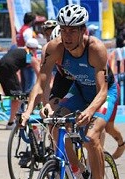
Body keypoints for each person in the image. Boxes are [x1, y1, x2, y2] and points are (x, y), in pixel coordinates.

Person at [21, 4, 118, 179]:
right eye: (64, 29)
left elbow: (102, 89)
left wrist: (90, 111)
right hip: (80, 91)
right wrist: (37, 108)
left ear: (83, 30)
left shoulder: (96, 48)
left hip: (104, 95)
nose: (67, 35)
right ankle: (78, 172)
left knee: (91, 137)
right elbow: (42, 79)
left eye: (73, 30)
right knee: (55, 124)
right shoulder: (55, 47)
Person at [45, 26, 124, 159]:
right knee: (56, 122)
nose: (58, 60)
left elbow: (102, 90)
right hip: (82, 89)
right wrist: (47, 107)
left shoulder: (91, 51)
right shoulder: (61, 69)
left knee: (105, 128)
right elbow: (54, 97)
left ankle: (121, 144)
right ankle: (73, 169)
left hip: (104, 91)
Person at [0, 38, 41, 129]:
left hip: (0, 67)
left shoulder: (20, 51)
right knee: (17, 97)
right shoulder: (29, 54)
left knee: (15, 96)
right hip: (8, 68)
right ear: (34, 49)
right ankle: (11, 122)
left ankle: (15, 118)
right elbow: (39, 73)